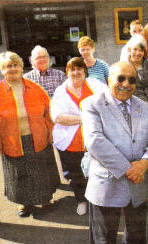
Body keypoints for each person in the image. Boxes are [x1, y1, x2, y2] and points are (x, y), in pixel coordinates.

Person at [81, 61, 148, 244]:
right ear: (109, 79)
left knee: (136, 230)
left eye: (131, 80)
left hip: (138, 180)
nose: (126, 84)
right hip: (107, 181)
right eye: (121, 79)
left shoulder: (145, 107)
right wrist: (128, 169)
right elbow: (94, 142)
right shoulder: (92, 104)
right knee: (104, 237)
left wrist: (145, 162)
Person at [0, 51, 60, 217]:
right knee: (18, 173)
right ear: (2, 69)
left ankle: (45, 200)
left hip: (37, 137)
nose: (13, 69)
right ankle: (24, 204)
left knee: (40, 171)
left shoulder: (35, 88)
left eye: (15, 65)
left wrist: (49, 133)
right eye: (8, 66)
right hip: (10, 140)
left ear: (21, 66)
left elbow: (48, 113)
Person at [50, 57, 106, 216]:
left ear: (84, 71)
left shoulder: (96, 85)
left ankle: (98, 200)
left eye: (79, 68)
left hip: (95, 139)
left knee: (98, 171)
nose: (76, 72)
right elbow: (58, 117)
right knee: (76, 174)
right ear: (67, 72)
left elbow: (109, 103)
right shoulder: (61, 91)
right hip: (70, 141)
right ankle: (81, 200)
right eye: (72, 69)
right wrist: (86, 118)